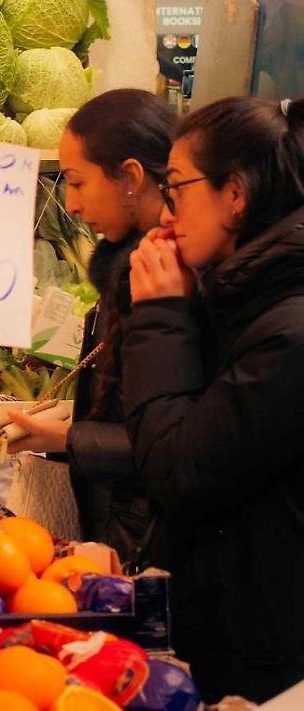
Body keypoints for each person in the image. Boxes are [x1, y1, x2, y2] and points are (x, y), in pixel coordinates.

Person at [123, 96, 304, 703]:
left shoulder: (289, 334)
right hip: (238, 617)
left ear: (236, 195)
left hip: (272, 650)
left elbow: (179, 468)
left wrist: (162, 316)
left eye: (176, 188)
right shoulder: (246, 297)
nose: (167, 213)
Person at [0, 90, 176, 564]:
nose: (70, 203)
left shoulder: (163, 280)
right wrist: (74, 418)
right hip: (124, 522)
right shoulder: (133, 268)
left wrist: (68, 438)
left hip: (153, 540)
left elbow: (175, 444)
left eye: (77, 183)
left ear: (131, 177)